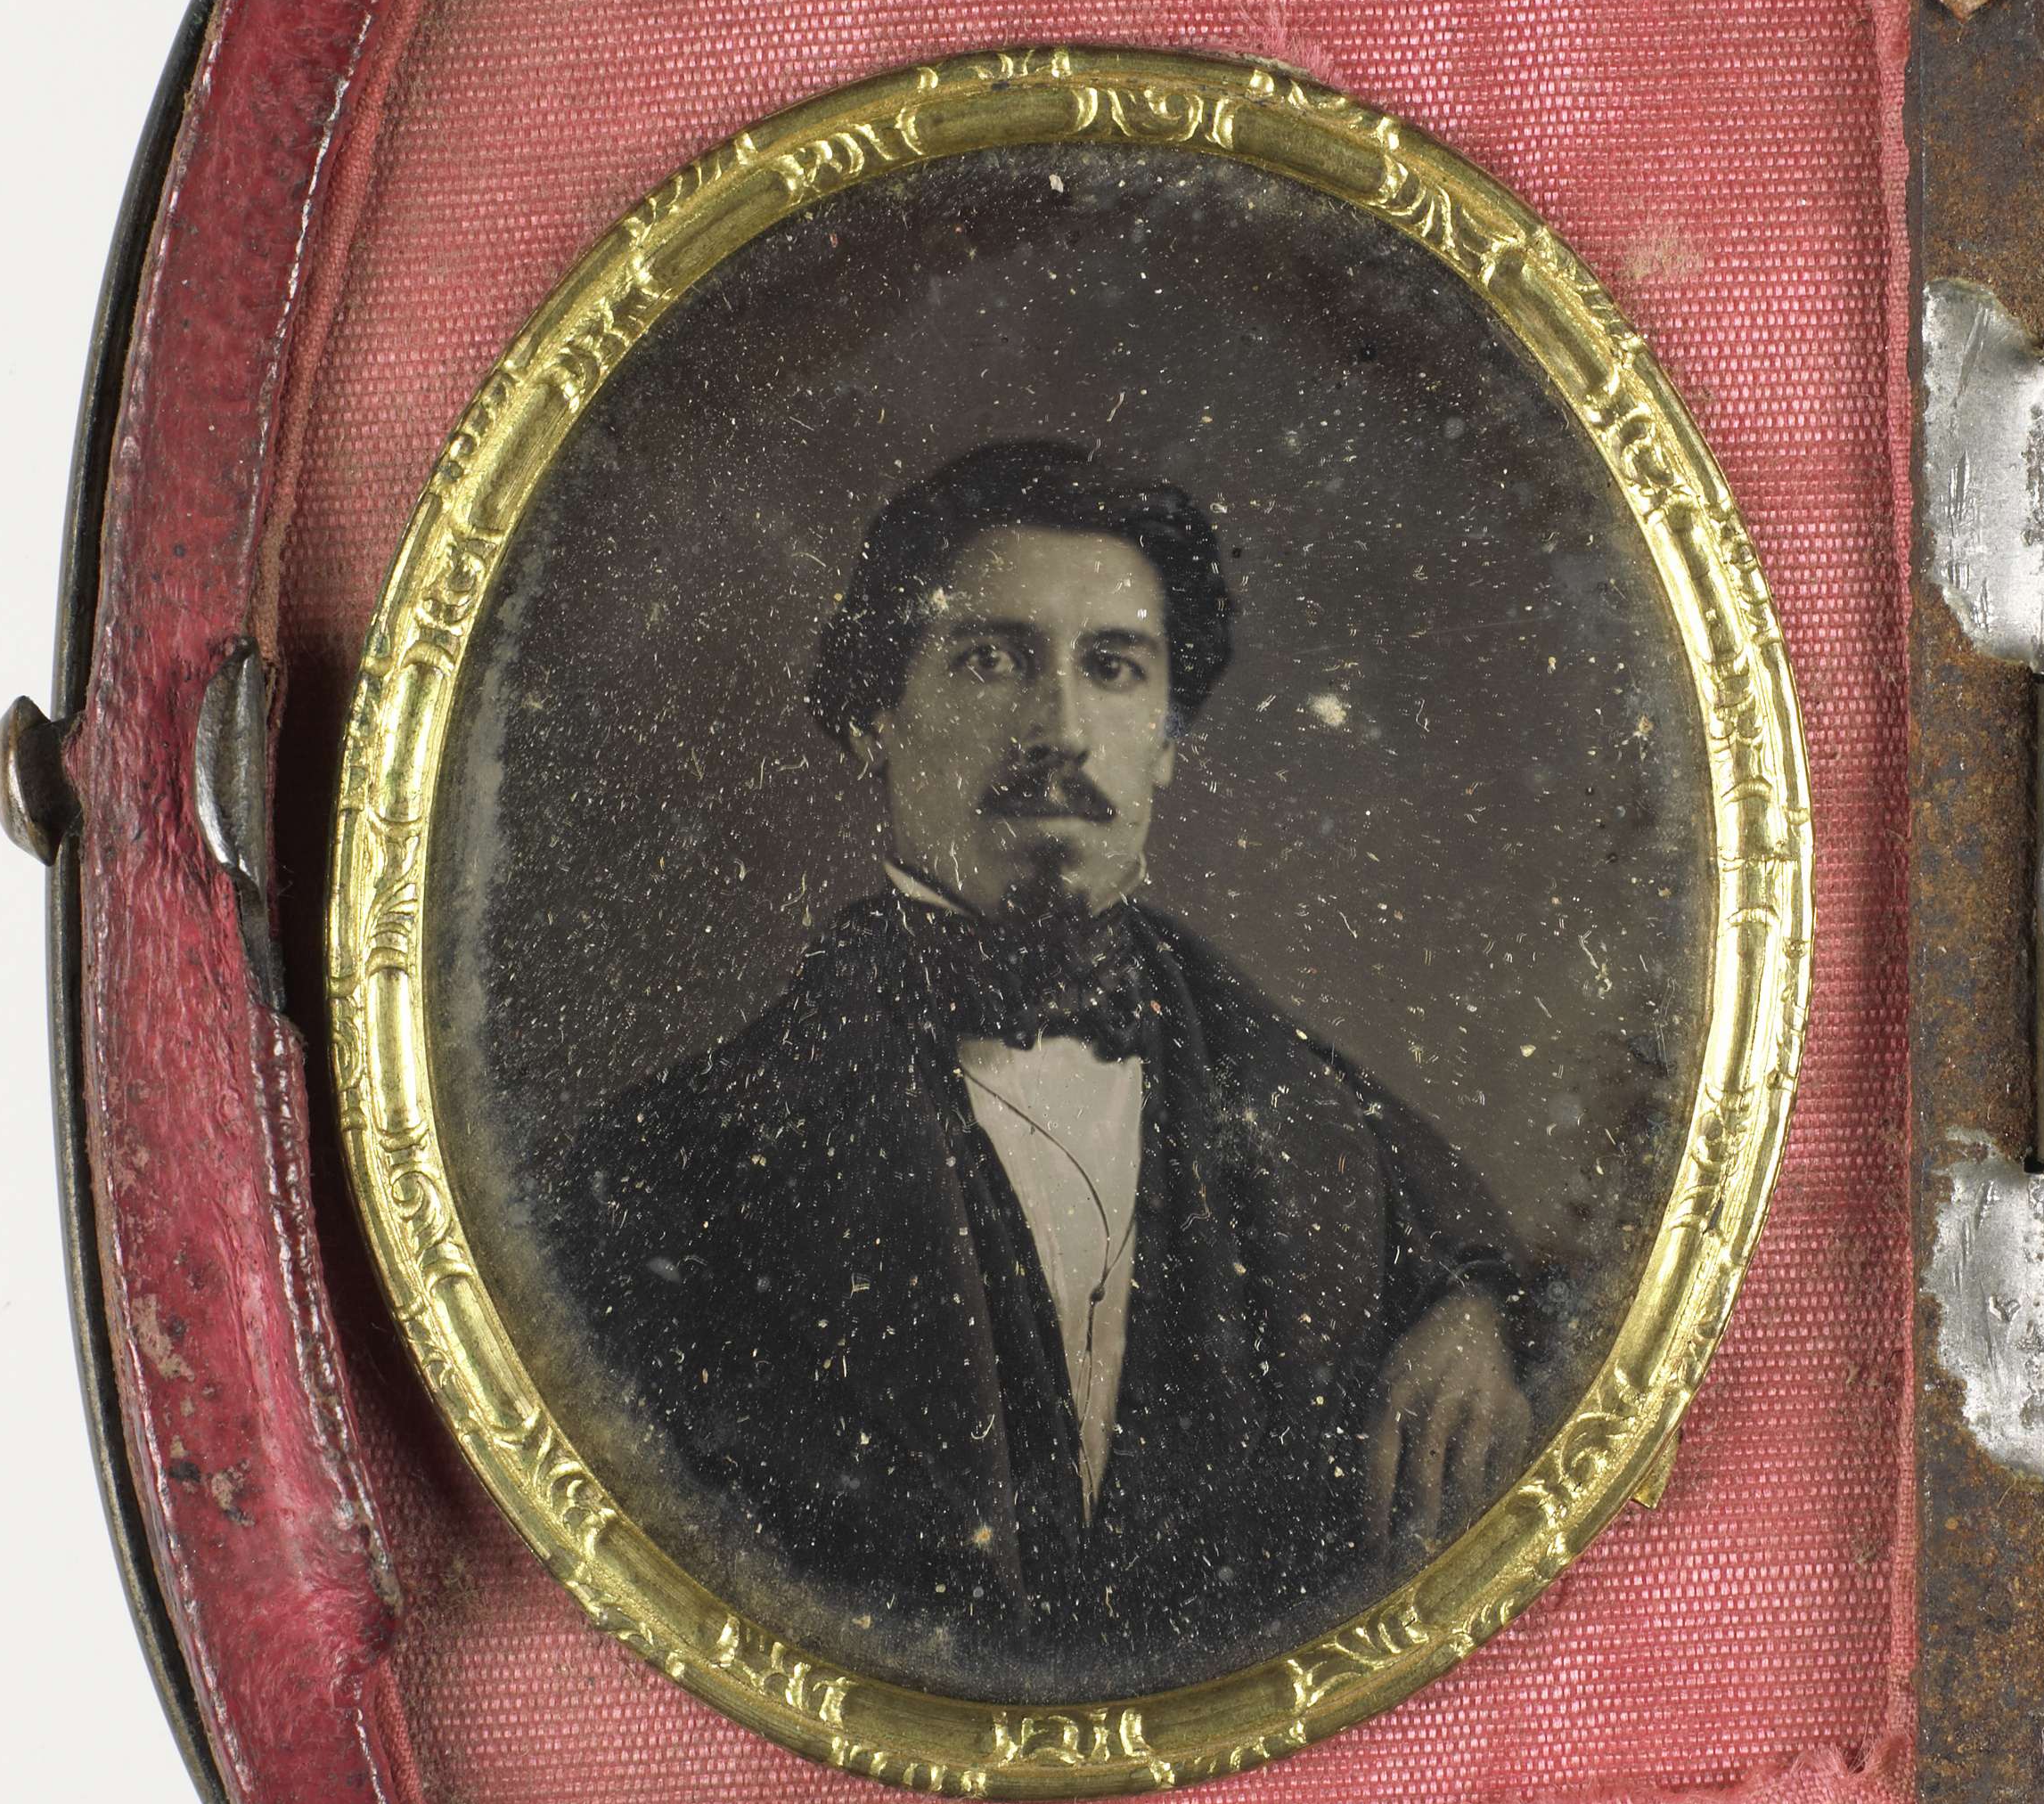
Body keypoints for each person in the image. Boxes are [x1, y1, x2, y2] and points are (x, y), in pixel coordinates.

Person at [563, 440, 1539, 1699]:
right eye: (991, 661)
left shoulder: (1322, 1123)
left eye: (1114, 668)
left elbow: (1506, 1280)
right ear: (873, 717)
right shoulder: (666, 1171)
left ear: (1168, 740)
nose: (1061, 730)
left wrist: (1469, 1316)